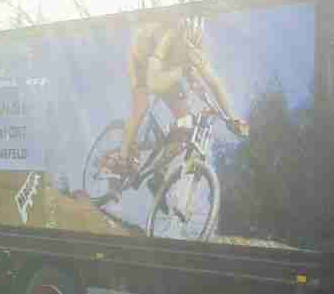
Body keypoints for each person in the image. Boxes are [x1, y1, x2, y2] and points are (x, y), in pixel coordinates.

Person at [101, 16, 249, 187]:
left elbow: (215, 84)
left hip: (165, 69)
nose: (190, 48)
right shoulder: (168, 38)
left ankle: (158, 175)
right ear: (180, 34)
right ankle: (121, 158)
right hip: (141, 62)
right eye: (187, 43)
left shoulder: (193, 49)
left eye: (194, 44)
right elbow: (154, 84)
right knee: (141, 107)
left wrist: (232, 118)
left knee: (186, 127)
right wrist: (183, 71)